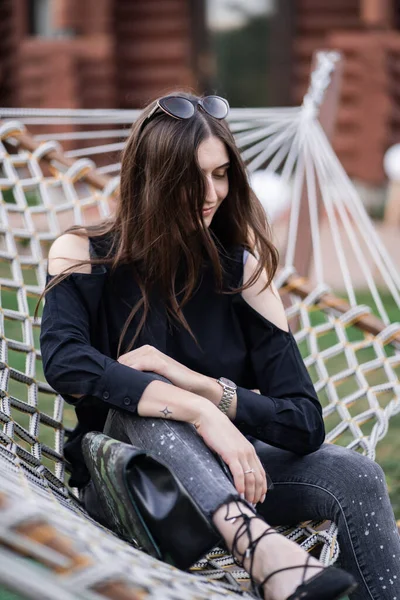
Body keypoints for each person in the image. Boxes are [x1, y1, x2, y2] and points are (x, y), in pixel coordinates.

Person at [40, 93, 400, 600]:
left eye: (221, 174)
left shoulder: (242, 272)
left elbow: (303, 421)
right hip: (134, 485)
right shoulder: (83, 253)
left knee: (358, 474)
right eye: (191, 178)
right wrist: (198, 413)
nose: (210, 193)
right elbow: (66, 363)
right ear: (152, 178)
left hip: (235, 475)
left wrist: (209, 393)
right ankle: (265, 554)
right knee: (150, 400)